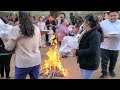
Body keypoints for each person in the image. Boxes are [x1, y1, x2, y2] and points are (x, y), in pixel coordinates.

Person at [2, 11, 41, 79]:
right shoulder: (36, 29)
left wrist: (4, 39)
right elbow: (39, 43)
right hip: (36, 61)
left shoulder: (17, 29)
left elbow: (9, 47)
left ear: (20, 18)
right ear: (30, 17)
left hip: (23, 63)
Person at [71, 14, 104, 79]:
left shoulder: (95, 34)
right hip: (84, 61)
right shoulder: (86, 31)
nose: (82, 22)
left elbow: (92, 50)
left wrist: (77, 52)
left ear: (87, 23)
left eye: (83, 21)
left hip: (89, 63)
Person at [99, 11, 120, 79]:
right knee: (104, 61)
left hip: (115, 47)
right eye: (111, 16)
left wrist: (115, 36)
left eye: (115, 15)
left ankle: (111, 70)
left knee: (113, 60)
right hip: (104, 46)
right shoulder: (103, 23)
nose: (113, 17)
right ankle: (104, 73)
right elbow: (99, 33)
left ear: (118, 15)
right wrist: (102, 35)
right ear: (108, 16)